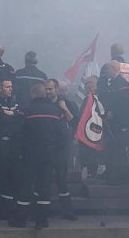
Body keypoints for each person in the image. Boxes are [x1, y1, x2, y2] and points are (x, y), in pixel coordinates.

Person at [11, 82, 67, 230]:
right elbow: (63, 136)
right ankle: (41, 220)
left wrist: (21, 152)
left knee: (26, 185)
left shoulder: (26, 111)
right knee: (44, 187)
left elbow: (18, 133)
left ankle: (20, 219)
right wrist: (54, 151)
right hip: (49, 156)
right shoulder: (56, 112)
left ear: (33, 94)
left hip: (30, 156)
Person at [0, 78, 24, 221]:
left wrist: (11, 114)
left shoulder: (12, 102)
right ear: (0, 89)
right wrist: (9, 115)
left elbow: (19, 117)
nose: (11, 89)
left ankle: (6, 209)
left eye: (11, 87)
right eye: (7, 87)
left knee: (10, 179)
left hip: (12, 147)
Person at [46, 78, 79, 220]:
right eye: (46, 89)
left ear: (56, 89)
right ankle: (43, 212)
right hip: (47, 147)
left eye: (50, 89)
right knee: (45, 180)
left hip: (61, 147)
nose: (48, 92)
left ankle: (67, 211)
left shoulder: (67, 103)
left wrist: (64, 108)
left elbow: (73, 121)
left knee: (62, 180)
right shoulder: (44, 103)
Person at [98, 60, 129, 185]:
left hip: (121, 124)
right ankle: (113, 173)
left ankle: (121, 175)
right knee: (112, 150)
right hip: (113, 124)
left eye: (107, 69)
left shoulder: (122, 85)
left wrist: (113, 112)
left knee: (119, 150)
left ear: (114, 69)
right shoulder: (113, 84)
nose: (106, 72)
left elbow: (125, 105)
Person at [77, 76, 105, 178]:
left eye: (90, 83)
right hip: (86, 138)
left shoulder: (98, 100)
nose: (87, 85)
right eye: (86, 83)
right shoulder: (86, 100)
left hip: (94, 136)